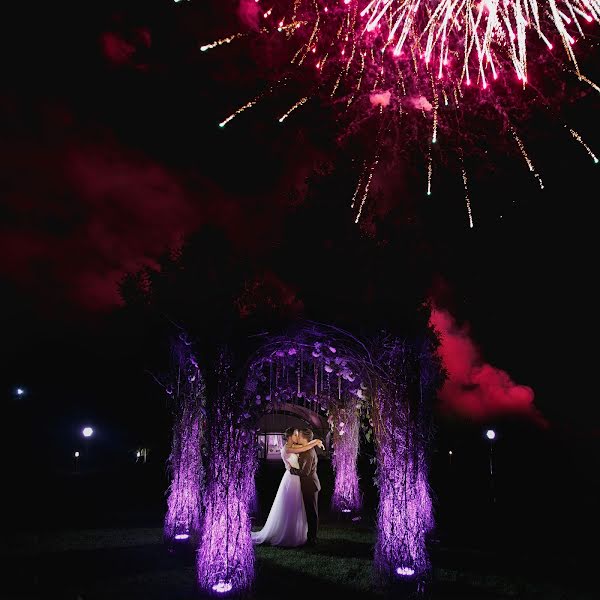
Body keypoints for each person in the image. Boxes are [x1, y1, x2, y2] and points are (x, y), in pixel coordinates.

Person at [251, 427, 324, 547]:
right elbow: (305, 447)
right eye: (295, 435)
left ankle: (308, 536)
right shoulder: (288, 448)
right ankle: (291, 533)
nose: (297, 437)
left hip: (301, 480)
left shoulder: (299, 448)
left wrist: (315, 442)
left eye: (298, 435)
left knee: (306, 510)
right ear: (290, 437)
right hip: (292, 478)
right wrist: (315, 442)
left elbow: (305, 448)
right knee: (292, 507)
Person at [288, 428, 321, 546]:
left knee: (312, 513)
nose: (298, 438)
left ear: (305, 438)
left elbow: (305, 472)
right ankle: (311, 536)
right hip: (309, 485)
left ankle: (312, 538)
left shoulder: (308, 452)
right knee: (310, 511)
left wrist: (292, 470)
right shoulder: (307, 449)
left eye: (300, 436)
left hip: (310, 485)